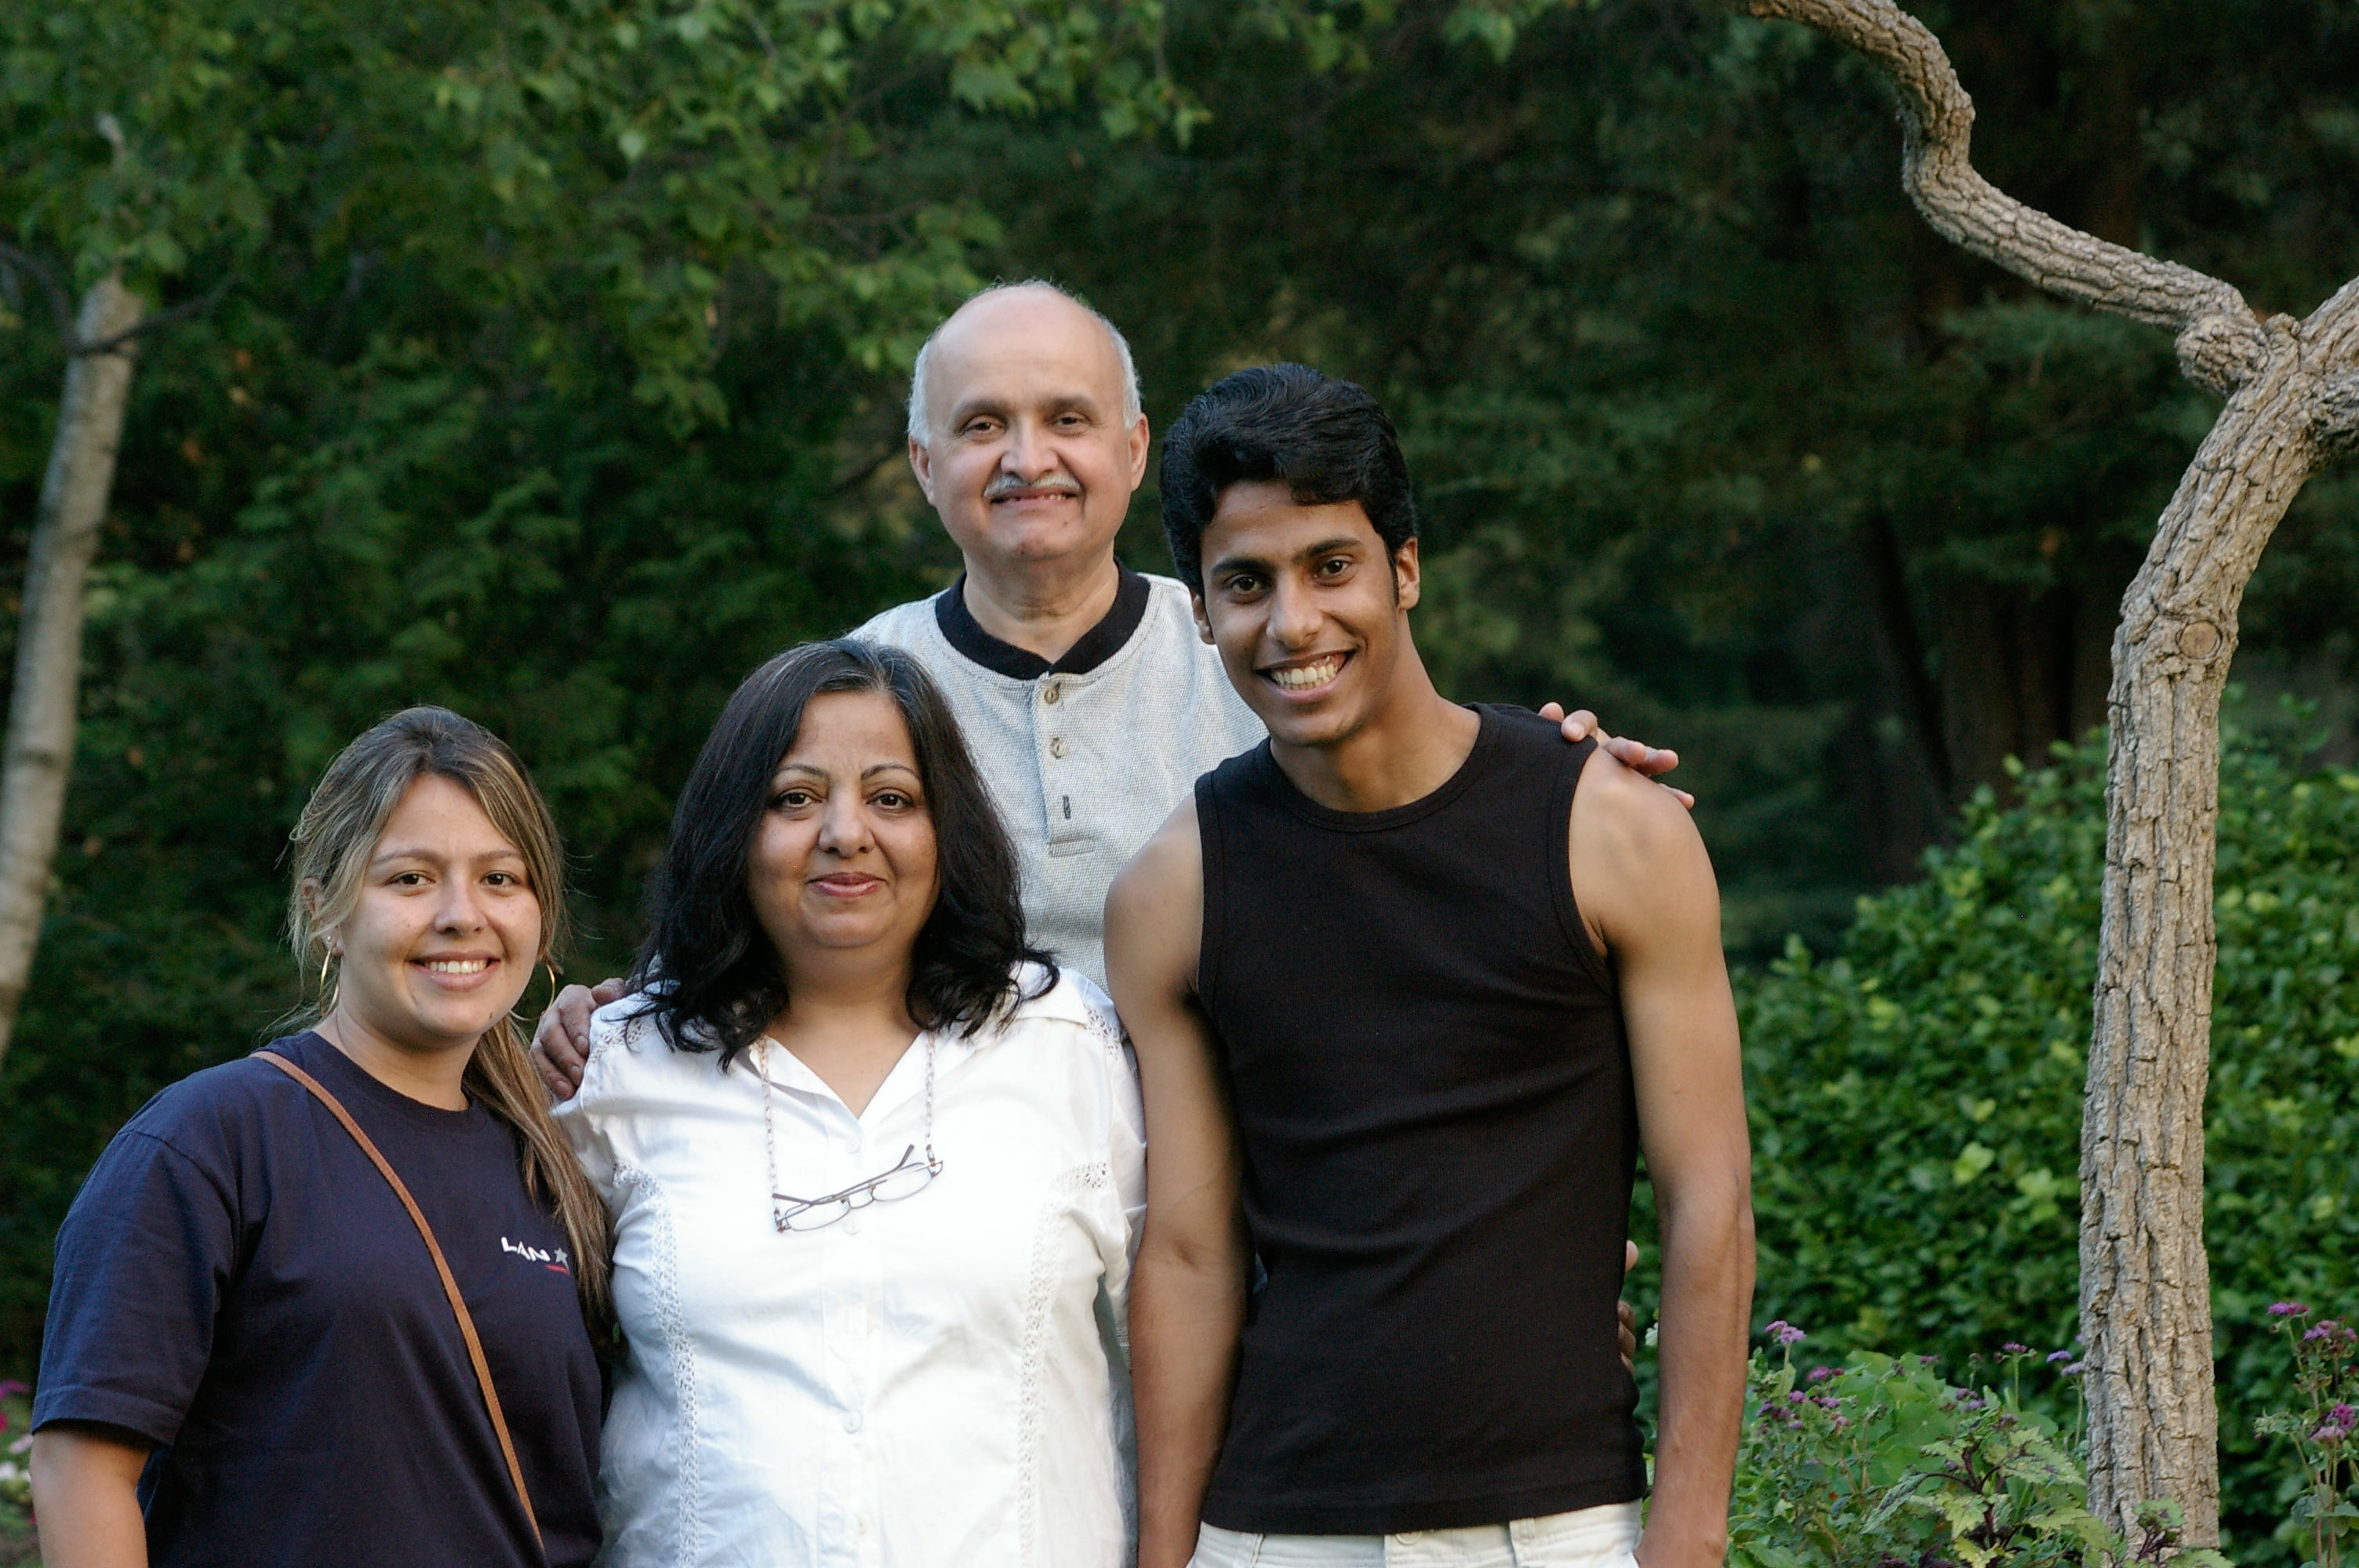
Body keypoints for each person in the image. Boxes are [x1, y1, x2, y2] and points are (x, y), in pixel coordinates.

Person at [533, 279, 1681, 1083]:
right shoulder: (847, 704)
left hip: (1266, 1228)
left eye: (1065, 420)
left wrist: (1558, 775)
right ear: (925, 466)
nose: (1026, 458)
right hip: (959, 1242)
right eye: (983, 426)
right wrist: (608, 1023)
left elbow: (1431, 830)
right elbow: (738, 949)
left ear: (1133, 451)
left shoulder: (1264, 654)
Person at [1106, 365, 1755, 1568]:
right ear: (1200, 611)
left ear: (1405, 567)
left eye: (1330, 566)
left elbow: (1707, 1198)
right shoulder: (1172, 893)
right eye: (1245, 583)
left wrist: (1688, 1538)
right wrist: (1167, 1557)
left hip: (1561, 1530)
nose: (1293, 623)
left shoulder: (1611, 833)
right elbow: (1190, 1257)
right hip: (1273, 1531)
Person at [553, 638, 1145, 1566]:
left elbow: (1180, 1330)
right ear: (730, 829)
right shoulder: (621, 1065)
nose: (844, 831)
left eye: (891, 798)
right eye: (794, 797)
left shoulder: (1069, 1044)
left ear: (946, 827)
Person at [28, 707, 609, 1568]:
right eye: (410, 879)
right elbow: (81, 1471)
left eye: (500, 877)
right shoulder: (210, 1140)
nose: (462, 914)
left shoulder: (557, 1163)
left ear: (540, 916)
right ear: (325, 910)